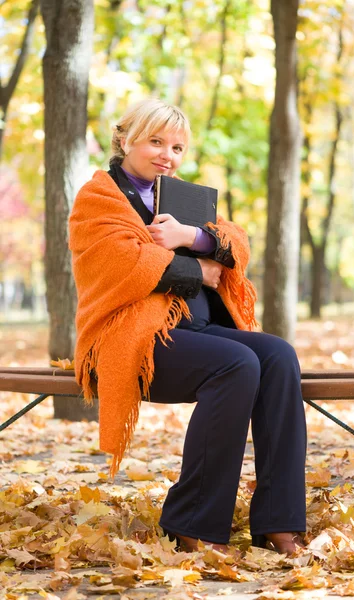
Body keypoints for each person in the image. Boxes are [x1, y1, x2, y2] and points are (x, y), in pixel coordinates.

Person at [69, 97, 307, 555]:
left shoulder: (182, 197)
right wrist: (201, 271)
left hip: (192, 331)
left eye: (177, 147)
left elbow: (235, 242)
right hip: (126, 338)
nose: (166, 155)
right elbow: (123, 265)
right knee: (236, 363)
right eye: (155, 141)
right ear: (124, 139)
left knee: (278, 355)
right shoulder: (97, 198)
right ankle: (192, 523)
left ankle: (279, 519)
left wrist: (190, 237)